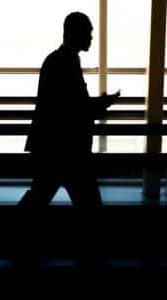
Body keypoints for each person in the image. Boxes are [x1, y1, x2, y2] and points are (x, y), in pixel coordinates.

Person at [19, 12, 120, 207]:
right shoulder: (67, 62)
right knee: (86, 200)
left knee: (39, 196)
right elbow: (77, 107)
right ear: (75, 33)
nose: (91, 37)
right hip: (66, 150)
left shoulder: (57, 59)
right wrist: (103, 103)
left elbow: (70, 103)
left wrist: (99, 103)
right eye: (88, 33)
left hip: (53, 147)